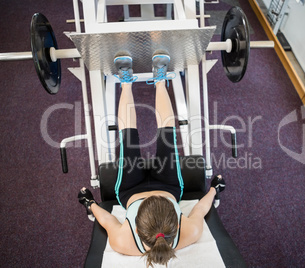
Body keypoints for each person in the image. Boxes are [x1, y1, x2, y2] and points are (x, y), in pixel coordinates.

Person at [78, 53, 226, 267]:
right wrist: (215, 189)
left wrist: (90, 204)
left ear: (135, 228)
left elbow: (108, 220)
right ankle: (160, 80)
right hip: (169, 186)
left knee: (127, 139)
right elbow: (200, 210)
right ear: (177, 222)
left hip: (130, 190)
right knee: (167, 136)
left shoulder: (123, 242)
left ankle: (125, 82)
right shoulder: (190, 231)